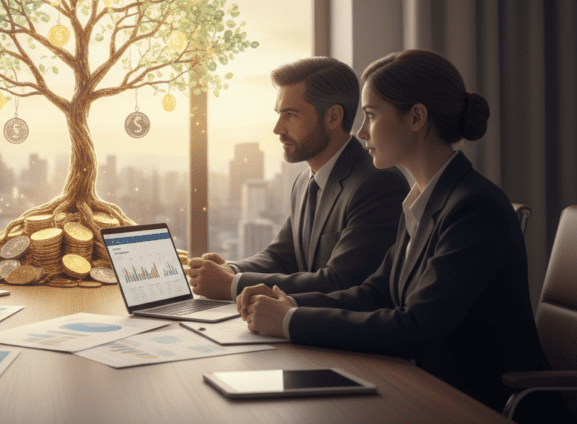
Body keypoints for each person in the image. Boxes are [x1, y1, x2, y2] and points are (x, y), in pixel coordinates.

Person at [239, 49, 559, 419]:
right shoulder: (423, 199)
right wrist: (290, 305)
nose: (360, 132)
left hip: (481, 403)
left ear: (416, 117)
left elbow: (416, 326)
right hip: (428, 388)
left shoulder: (475, 208)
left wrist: (290, 323)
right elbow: (377, 292)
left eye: (371, 116)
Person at [189, 57, 408, 301]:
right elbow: (281, 256)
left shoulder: (378, 184)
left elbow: (340, 282)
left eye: (291, 115)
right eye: (279, 114)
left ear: (333, 117)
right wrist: (231, 270)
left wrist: (232, 284)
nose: (278, 128)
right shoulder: (305, 181)